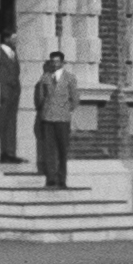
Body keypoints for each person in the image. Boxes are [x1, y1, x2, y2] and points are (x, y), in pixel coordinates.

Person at [32, 46, 77, 190]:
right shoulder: (45, 78)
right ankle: (51, 178)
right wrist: (44, 109)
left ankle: (62, 178)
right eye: (52, 62)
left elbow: (75, 98)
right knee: (49, 149)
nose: (54, 64)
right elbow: (40, 97)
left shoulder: (70, 78)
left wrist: (65, 109)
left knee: (63, 150)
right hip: (48, 117)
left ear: (62, 63)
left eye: (57, 62)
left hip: (63, 119)